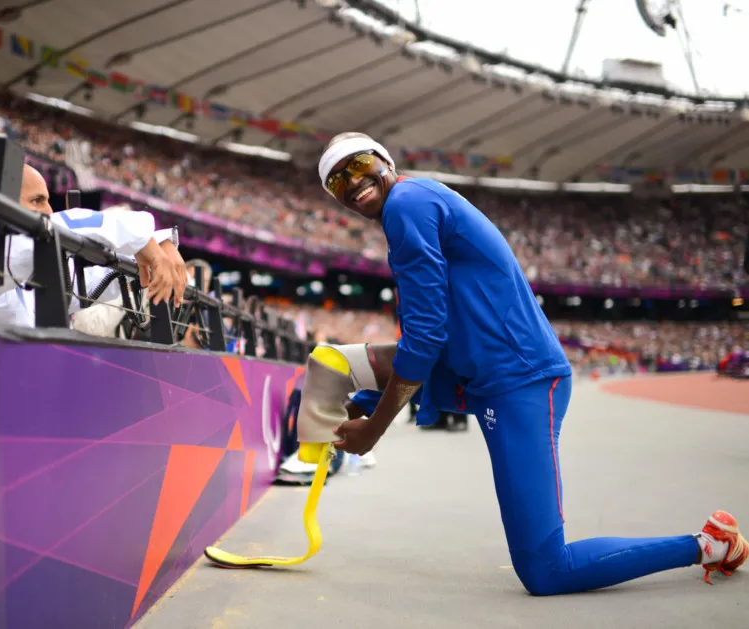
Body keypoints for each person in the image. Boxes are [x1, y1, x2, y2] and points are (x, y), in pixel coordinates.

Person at [315, 132, 746, 595]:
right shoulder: (415, 203)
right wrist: (364, 397)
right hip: (488, 378)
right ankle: (319, 427)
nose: (353, 182)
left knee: (546, 570)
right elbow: (432, 337)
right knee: (335, 363)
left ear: (386, 160)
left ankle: (710, 544)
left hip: (519, 383)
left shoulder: (407, 203)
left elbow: (424, 336)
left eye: (359, 164)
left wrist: (375, 428)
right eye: (338, 182)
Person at [0, 162, 186, 327]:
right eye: (37, 201)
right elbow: (51, 229)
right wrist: (144, 239)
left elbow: (87, 281)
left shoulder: (20, 274)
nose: (48, 211)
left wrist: (158, 249)